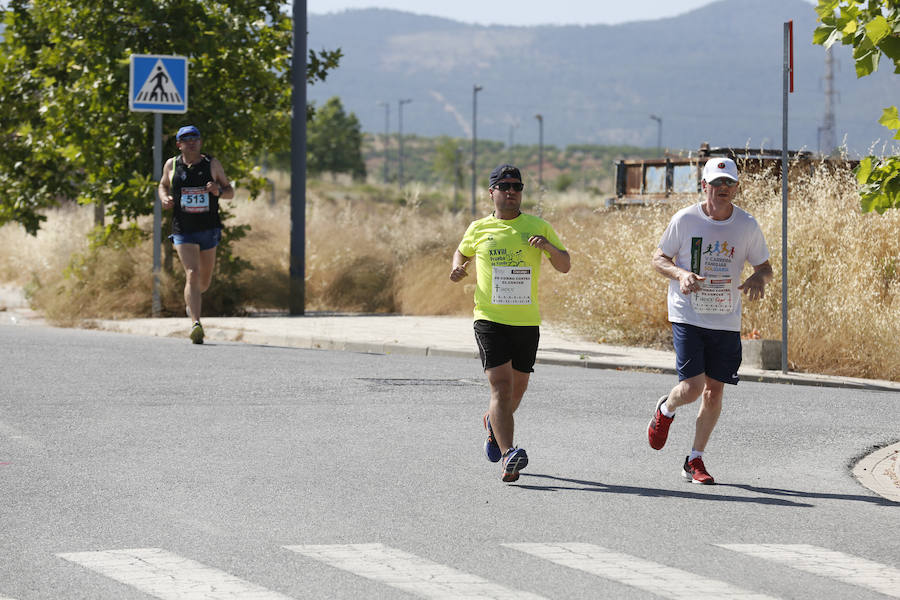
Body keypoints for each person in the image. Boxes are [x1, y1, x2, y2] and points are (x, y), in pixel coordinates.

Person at [648, 157, 773, 484]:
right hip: (688, 313)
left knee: (713, 392)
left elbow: (765, 268)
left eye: (729, 183)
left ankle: (695, 459)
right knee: (692, 388)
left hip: (725, 318)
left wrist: (758, 278)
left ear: (736, 187)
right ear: (704, 186)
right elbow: (658, 258)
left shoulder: (746, 225)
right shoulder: (685, 219)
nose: (723, 188)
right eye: (716, 183)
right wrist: (681, 274)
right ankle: (666, 409)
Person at [450, 164, 571, 482]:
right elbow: (461, 252)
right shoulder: (478, 228)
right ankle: (508, 455)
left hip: (526, 322)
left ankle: (493, 424)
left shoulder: (537, 226)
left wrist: (547, 247)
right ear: (492, 192)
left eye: (517, 187)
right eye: (504, 187)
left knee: (517, 390)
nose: (511, 192)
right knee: (501, 388)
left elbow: (565, 265)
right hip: (489, 319)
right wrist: (458, 268)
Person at [157, 125, 234, 344]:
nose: (191, 142)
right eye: (186, 139)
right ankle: (196, 324)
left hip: (208, 228)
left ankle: (192, 301)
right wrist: (164, 198)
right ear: (179, 144)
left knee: (204, 282)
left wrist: (218, 191)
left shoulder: (212, 164)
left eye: (195, 139)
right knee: (192, 272)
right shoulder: (172, 165)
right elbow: (163, 185)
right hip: (183, 228)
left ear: (200, 142)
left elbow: (230, 192)